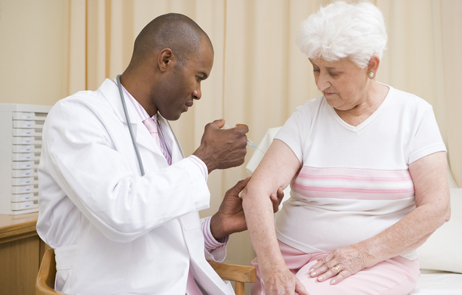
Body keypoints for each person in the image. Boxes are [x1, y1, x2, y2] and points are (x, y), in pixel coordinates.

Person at [37, 13, 283, 295]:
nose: (199, 92)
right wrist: (205, 160)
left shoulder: (160, 129)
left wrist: (217, 227)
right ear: (166, 60)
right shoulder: (76, 116)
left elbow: (164, 244)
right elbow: (121, 214)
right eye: (198, 77)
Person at [241, 2, 451, 295]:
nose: (320, 83)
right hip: (288, 259)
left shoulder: (414, 114)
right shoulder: (306, 117)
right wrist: (273, 268)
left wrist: (363, 254)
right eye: (315, 69)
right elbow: (256, 192)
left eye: (333, 72)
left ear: (372, 66)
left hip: (379, 262)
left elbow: (437, 208)